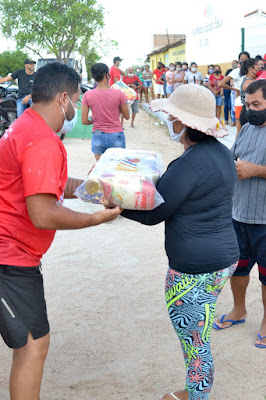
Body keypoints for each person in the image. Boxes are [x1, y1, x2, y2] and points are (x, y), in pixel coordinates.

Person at [0, 62, 122, 400]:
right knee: (31, 347)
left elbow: (48, 184)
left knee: (32, 343)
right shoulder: (41, 140)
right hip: (9, 258)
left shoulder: (26, 125)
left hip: (15, 255)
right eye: (77, 100)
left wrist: (93, 189)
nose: (77, 108)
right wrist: (95, 218)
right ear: (64, 98)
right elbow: (42, 213)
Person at [121, 84, 239, 400]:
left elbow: (153, 213)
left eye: (172, 115)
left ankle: (197, 394)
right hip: (222, 260)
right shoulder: (221, 153)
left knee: (196, 344)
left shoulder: (189, 163)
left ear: (182, 122)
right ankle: (193, 391)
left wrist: (113, 201)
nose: (169, 120)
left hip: (193, 270)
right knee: (199, 333)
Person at [213, 80, 266, 349]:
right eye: (247, 105)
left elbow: (250, 167)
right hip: (239, 214)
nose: (251, 110)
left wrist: (255, 170)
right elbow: (233, 159)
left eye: (256, 104)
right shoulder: (245, 128)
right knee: (239, 268)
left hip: (265, 220)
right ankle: (239, 310)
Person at [81, 63, 130, 161]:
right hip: (116, 134)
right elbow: (127, 116)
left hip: (98, 134)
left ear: (94, 77)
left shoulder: (87, 95)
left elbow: (84, 121)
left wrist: (93, 121)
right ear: (107, 75)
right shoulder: (119, 94)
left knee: (101, 169)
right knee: (116, 168)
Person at [219, 51, 250, 135]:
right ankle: (237, 147)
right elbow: (221, 83)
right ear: (239, 60)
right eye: (241, 59)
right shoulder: (236, 71)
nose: (243, 61)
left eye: (246, 59)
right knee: (239, 130)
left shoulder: (251, 71)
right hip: (240, 102)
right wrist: (236, 90)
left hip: (251, 103)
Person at [238, 58, 260, 128]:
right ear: (251, 69)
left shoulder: (250, 80)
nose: (260, 71)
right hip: (249, 113)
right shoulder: (249, 82)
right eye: (258, 69)